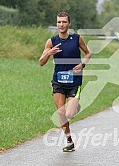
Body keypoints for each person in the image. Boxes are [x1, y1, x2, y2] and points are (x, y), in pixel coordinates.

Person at [39, 12, 91, 152]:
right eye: (59, 22)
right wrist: (48, 54)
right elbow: (41, 62)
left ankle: (75, 107)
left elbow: (88, 53)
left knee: (69, 114)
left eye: (63, 22)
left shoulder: (77, 39)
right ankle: (69, 141)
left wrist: (82, 65)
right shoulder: (51, 41)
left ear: (69, 23)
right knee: (61, 113)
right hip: (58, 81)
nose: (61, 25)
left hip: (74, 81)